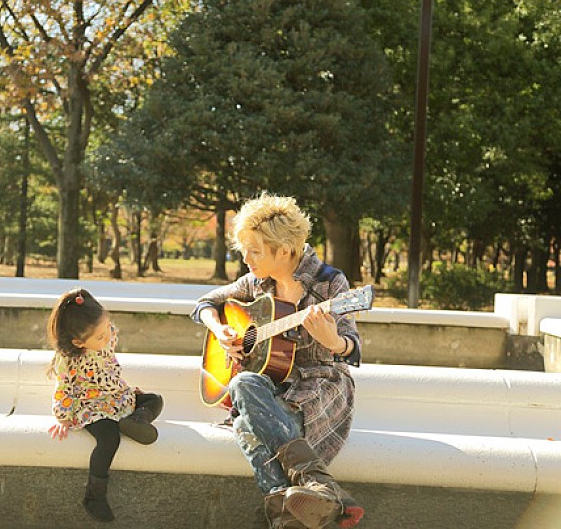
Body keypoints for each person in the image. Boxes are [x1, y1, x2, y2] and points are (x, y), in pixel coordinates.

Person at [191, 193, 364, 529]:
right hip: (271, 390)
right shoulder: (256, 282)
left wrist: (333, 341)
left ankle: (285, 513)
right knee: (242, 381)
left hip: (319, 387)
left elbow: (352, 348)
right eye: (244, 249)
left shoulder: (329, 283)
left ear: (283, 249)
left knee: (244, 424)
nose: (246, 258)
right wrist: (221, 329)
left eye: (255, 251)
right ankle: (318, 487)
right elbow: (204, 304)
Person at [46, 288, 164, 522]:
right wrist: (63, 418)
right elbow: (64, 390)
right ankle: (94, 496)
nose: (107, 337)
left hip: (117, 399)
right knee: (109, 438)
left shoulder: (106, 338)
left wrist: (126, 390)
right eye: (100, 337)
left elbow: (109, 370)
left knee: (154, 399)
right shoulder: (70, 359)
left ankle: (136, 420)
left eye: (108, 328)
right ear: (78, 342)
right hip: (91, 408)